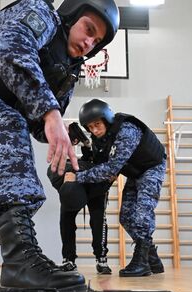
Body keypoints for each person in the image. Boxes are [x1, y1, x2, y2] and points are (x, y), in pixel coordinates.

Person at [0, 0, 120, 290]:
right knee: (9, 125)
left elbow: (37, 125)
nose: (90, 42)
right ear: (71, 15)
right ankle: (19, 264)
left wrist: (61, 128)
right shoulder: (40, 13)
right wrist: (51, 113)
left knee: (25, 191)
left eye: (97, 40)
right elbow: (10, 50)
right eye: (88, 29)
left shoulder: (69, 73)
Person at [64, 99, 167, 277]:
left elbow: (110, 169)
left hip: (152, 168)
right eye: (90, 127)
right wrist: (83, 146)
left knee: (142, 214)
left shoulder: (126, 130)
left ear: (107, 119)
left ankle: (141, 262)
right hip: (136, 174)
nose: (94, 130)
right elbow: (99, 163)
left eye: (97, 124)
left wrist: (77, 177)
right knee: (126, 218)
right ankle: (153, 260)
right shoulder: (100, 140)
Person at [47, 146, 113, 275]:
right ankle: (68, 259)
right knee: (66, 220)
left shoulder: (100, 182)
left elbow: (112, 176)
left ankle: (101, 258)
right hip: (72, 184)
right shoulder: (56, 176)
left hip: (95, 183)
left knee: (98, 220)